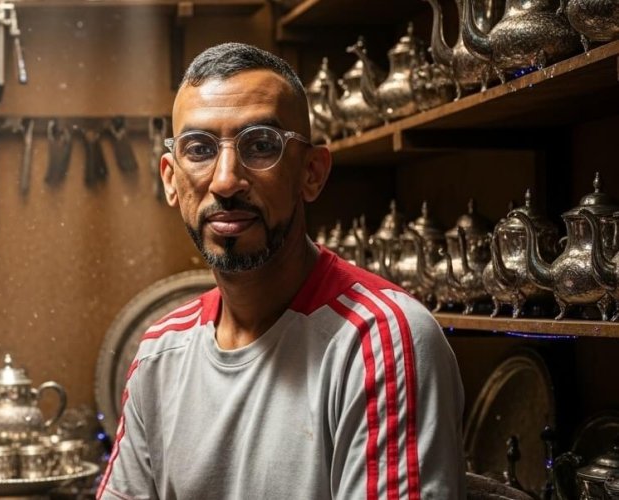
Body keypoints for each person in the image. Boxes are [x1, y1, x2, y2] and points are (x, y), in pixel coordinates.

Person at [97, 42, 465, 500]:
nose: (226, 180)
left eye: (261, 146)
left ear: (311, 173)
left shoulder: (380, 341)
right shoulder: (159, 351)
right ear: (172, 180)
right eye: (199, 149)